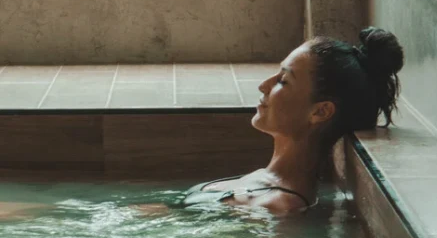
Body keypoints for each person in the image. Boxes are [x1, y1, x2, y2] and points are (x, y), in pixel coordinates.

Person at [138, 26, 403, 217]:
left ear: (320, 112)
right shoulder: (265, 181)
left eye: (283, 81)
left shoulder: (280, 207)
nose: (263, 86)